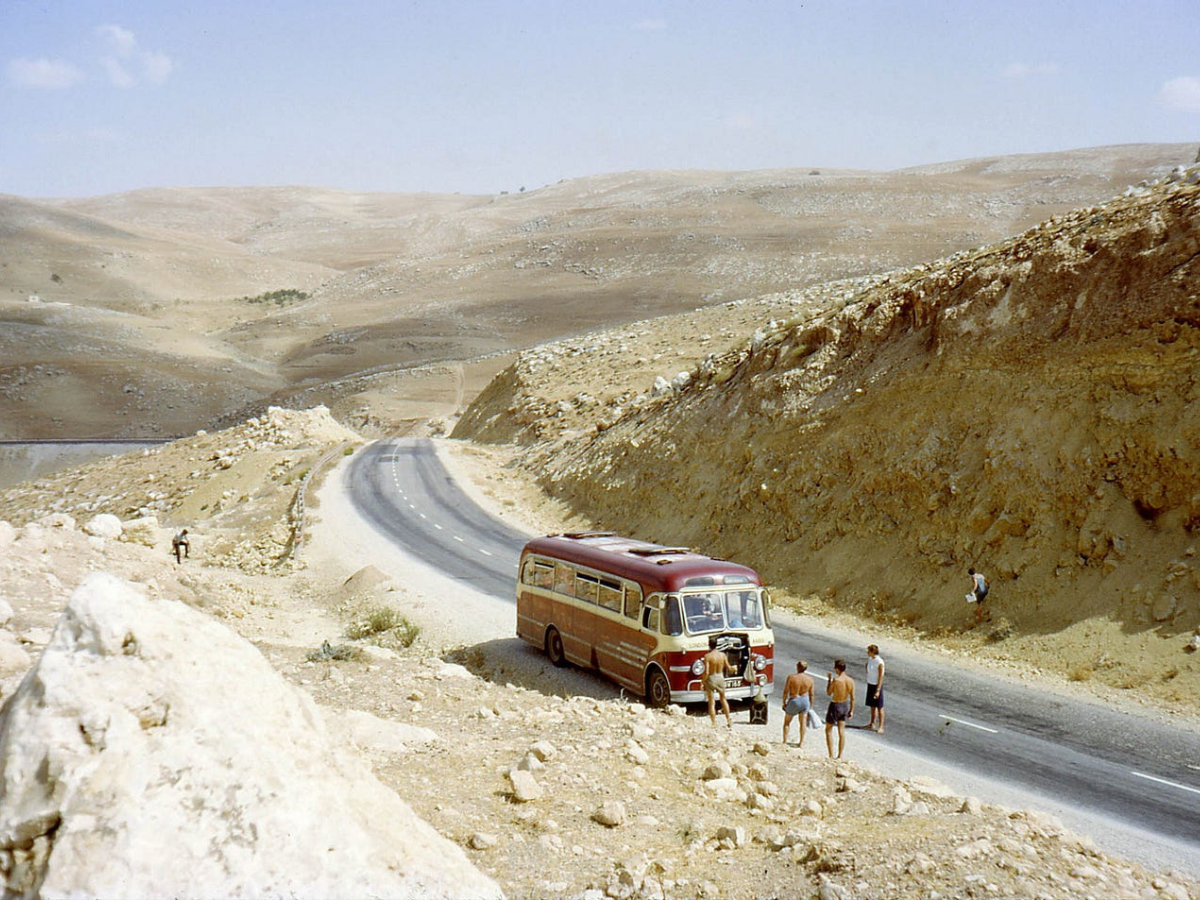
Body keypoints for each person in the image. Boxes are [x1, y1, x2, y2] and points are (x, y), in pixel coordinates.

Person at [824, 659, 855, 759]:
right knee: (841, 731)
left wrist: (829, 680)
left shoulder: (836, 680)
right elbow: (853, 697)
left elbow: (829, 692)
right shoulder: (850, 681)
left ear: (837, 669)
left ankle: (830, 754)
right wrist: (851, 710)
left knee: (828, 730)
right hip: (844, 704)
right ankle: (840, 755)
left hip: (835, 704)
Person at [702, 635, 734, 728]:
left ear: (709, 645)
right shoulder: (722, 655)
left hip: (711, 678)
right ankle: (728, 720)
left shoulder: (707, 656)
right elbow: (729, 667)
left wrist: (703, 681)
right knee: (723, 699)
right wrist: (734, 669)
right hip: (720, 677)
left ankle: (713, 723)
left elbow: (707, 672)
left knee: (711, 702)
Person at [781, 660, 815, 746]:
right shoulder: (810, 679)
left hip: (794, 699)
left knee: (787, 722)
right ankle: (801, 742)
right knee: (803, 722)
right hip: (805, 700)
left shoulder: (791, 677)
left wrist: (784, 702)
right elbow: (812, 694)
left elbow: (786, 691)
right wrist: (810, 705)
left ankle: (785, 741)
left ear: (798, 667)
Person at [865, 644, 885, 733]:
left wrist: (878, 690)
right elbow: (867, 666)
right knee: (872, 706)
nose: (867, 653)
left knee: (879, 707)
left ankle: (881, 726)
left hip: (877, 685)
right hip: (870, 683)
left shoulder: (879, 662)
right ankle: (872, 723)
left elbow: (881, 676)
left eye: (868, 651)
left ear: (873, 652)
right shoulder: (870, 659)